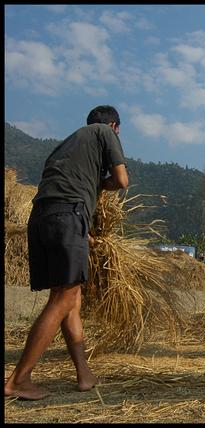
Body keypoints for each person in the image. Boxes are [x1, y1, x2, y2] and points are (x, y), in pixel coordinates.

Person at [4, 105, 128, 400]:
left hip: (41, 219)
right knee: (64, 297)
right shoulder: (104, 133)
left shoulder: (65, 147)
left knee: (70, 297)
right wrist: (104, 184)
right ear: (115, 126)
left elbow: (61, 189)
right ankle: (18, 380)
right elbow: (122, 181)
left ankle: (84, 374)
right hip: (68, 216)